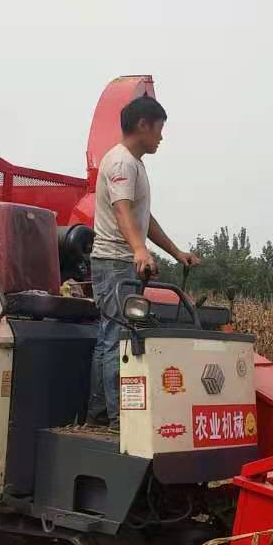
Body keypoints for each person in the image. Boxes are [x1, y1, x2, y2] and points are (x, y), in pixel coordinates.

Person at [87, 95, 200, 430]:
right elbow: (123, 212)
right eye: (159, 129)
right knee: (116, 338)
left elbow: (143, 218)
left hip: (120, 261)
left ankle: (97, 414)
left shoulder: (134, 164)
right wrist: (139, 251)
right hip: (114, 263)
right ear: (143, 125)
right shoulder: (121, 163)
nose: (162, 137)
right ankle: (118, 419)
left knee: (108, 335)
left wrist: (176, 253)